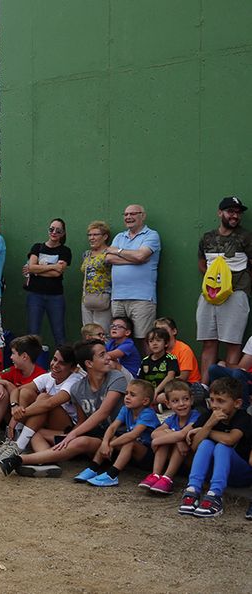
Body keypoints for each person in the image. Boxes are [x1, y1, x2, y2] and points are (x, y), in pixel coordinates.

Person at [0, 340, 128, 478]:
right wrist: (71, 435)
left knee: (80, 441)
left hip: (116, 437)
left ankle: (19, 459)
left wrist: (72, 435)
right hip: (92, 436)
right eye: (102, 355)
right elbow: (81, 420)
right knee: (35, 432)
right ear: (89, 363)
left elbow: (103, 412)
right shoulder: (78, 388)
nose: (109, 357)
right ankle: (47, 461)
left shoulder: (116, 377)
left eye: (106, 353)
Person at [0, 344, 84, 463]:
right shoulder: (49, 376)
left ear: (73, 368)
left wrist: (17, 416)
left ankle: (18, 447)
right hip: (46, 425)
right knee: (26, 393)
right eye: (54, 359)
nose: (55, 365)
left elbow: (49, 404)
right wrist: (14, 406)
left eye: (62, 363)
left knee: (43, 399)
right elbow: (17, 390)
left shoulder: (74, 380)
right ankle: (41, 458)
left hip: (69, 430)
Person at [196, 196, 252, 385]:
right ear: (220, 213)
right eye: (230, 211)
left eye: (238, 213)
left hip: (237, 294)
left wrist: (240, 283)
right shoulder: (207, 237)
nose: (235, 216)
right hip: (209, 295)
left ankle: (228, 388)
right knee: (209, 341)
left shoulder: (246, 237)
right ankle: (204, 387)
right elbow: (202, 264)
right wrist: (214, 282)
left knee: (232, 341)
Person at [179, 377, 252, 518]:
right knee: (206, 444)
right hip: (213, 472)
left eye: (221, 401)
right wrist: (208, 424)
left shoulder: (244, 418)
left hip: (241, 474)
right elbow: (195, 446)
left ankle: (215, 496)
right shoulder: (209, 416)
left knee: (222, 447)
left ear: (237, 403)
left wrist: (207, 431)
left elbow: (230, 439)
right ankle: (193, 489)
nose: (215, 405)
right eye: (212, 400)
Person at [72, 379, 160, 487]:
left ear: (145, 401)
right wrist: (105, 443)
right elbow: (112, 427)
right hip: (133, 453)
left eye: (132, 395)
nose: (127, 397)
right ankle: (93, 468)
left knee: (129, 441)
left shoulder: (148, 413)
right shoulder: (126, 409)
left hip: (149, 456)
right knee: (112, 437)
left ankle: (112, 475)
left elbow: (133, 435)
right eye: (126, 393)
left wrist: (110, 445)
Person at [105, 204, 162, 347]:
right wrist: (134, 258)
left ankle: (147, 369)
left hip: (142, 298)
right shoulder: (119, 237)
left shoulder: (151, 235)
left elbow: (141, 255)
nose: (128, 217)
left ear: (142, 216)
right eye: (125, 214)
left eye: (133, 214)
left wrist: (117, 251)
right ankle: (123, 370)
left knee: (145, 340)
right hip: (117, 297)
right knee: (118, 339)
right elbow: (108, 258)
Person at [138, 380, 199, 495]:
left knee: (177, 440)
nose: (181, 404)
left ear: (191, 399)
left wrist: (159, 440)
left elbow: (182, 435)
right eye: (175, 401)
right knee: (170, 440)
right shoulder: (172, 418)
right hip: (174, 460)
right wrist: (174, 438)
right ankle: (156, 475)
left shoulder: (195, 416)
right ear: (168, 404)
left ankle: (167, 478)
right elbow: (154, 433)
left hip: (189, 461)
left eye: (185, 399)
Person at [23, 218, 71, 347]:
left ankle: (62, 364)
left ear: (63, 233)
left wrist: (37, 270)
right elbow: (31, 267)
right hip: (35, 295)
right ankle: (32, 365)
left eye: (58, 230)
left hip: (55, 296)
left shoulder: (65, 251)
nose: (54, 232)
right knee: (32, 334)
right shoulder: (37, 247)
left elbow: (57, 273)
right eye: (51, 229)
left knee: (59, 333)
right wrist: (53, 266)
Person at [80, 221, 112, 330]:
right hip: (87, 298)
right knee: (88, 331)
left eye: (95, 235)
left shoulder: (109, 253)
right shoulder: (87, 254)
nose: (91, 238)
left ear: (105, 237)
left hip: (103, 298)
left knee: (102, 331)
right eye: (89, 235)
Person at [138, 326, 179, 399]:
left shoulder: (171, 359)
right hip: (149, 393)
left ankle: (157, 405)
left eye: (158, 340)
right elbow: (141, 380)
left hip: (165, 391)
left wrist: (156, 391)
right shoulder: (145, 361)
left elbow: (170, 376)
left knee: (165, 396)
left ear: (166, 343)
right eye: (151, 341)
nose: (154, 343)